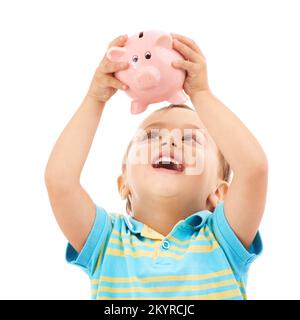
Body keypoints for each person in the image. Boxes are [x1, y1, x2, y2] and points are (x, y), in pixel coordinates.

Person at [44, 33, 268, 300]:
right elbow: (60, 180)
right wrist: (95, 99)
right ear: (123, 183)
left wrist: (201, 94)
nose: (171, 142)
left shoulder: (223, 239)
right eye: (151, 136)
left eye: (190, 138)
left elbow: (254, 169)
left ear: (219, 192)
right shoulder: (107, 241)